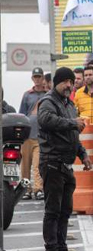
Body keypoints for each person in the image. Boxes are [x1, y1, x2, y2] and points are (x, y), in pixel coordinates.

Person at [37, 67, 92, 251]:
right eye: (65, 82)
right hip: (52, 162)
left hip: (67, 165)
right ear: (56, 83)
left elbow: (73, 135)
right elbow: (46, 120)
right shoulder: (48, 102)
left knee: (65, 211)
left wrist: (83, 154)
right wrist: (72, 123)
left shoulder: (69, 104)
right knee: (52, 210)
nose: (69, 85)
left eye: (71, 81)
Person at [19, 67, 48, 200]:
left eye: (39, 77)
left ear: (43, 78)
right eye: (35, 77)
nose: (37, 79)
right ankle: (26, 189)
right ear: (32, 78)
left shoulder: (48, 94)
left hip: (40, 137)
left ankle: (38, 189)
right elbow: (22, 114)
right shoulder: (27, 95)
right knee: (25, 165)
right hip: (27, 137)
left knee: (37, 165)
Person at [74, 65, 93, 139]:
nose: (88, 77)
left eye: (90, 75)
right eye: (86, 75)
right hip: (85, 135)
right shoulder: (78, 93)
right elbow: (74, 113)